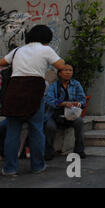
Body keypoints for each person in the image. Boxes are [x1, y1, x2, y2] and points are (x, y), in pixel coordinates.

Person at [0, 25, 65, 176]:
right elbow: (61, 65)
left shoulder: (17, 51)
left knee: (12, 131)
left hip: (14, 93)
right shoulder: (46, 50)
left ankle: (10, 168)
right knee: (36, 130)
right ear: (46, 39)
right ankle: (37, 166)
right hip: (34, 93)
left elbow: (2, 62)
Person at [43, 64, 87, 160]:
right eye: (65, 70)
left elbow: (83, 100)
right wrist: (63, 103)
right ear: (60, 73)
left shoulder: (76, 84)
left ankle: (79, 150)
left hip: (71, 115)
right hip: (55, 115)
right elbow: (48, 100)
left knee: (79, 122)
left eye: (70, 70)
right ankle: (48, 151)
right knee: (50, 126)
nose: (68, 72)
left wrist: (77, 103)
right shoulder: (53, 86)